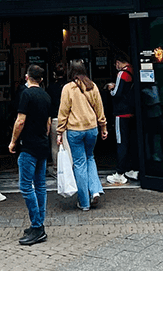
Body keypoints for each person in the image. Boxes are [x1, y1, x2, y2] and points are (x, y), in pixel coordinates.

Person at [56, 60, 108, 211]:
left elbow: (63, 112)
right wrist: (103, 126)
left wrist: (59, 132)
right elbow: (99, 108)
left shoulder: (68, 88)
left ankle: (84, 203)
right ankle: (95, 190)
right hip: (92, 129)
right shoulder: (92, 86)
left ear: (71, 71)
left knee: (79, 163)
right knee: (90, 158)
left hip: (75, 130)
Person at [9, 64, 50, 245]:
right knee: (40, 186)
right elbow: (48, 123)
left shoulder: (26, 94)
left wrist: (13, 141)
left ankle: (37, 226)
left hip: (29, 146)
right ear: (41, 79)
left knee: (26, 186)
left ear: (27, 77)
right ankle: (38, 224)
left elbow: (20, 121)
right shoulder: (46, 96)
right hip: (42, 144)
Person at [105, 51, 138, 183]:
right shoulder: (133, 71)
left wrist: (110, 88)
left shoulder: (122, 74)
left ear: (118, 63)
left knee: (121, 142)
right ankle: (131, 169)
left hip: (121, 113)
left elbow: (116, 94)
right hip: (131, 112)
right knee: (130, 141)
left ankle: (119, 173)